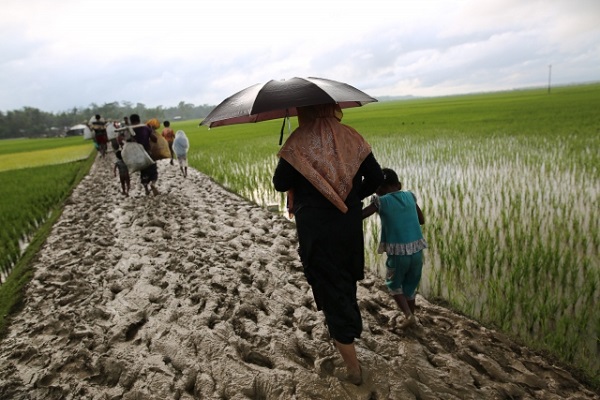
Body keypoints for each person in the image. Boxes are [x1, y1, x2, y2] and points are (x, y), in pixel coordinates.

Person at [272, 103, 383, 386]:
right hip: (347, 226)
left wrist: (289, 154)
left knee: (328, 284)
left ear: (305, 112)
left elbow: (280, 182)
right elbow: (377, 178)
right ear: (333, 109)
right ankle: (348, 327)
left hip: (315, 230)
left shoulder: (298, 141)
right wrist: (350, 196)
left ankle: (353, 366)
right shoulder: (350, 136)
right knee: (344, 278)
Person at [362, 168, 427, 330]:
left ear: (377, 190)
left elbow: (360, 216)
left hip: (398, 255)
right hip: (417, 251)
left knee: (393, 285)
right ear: (398, 185)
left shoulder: (380, 201)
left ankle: (408, 315)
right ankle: (411, 317)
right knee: (410, 286)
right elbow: (421, 220)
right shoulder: (410, 196)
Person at [129, 113, 159, 196]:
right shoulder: (145, 128)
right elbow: (155, 139)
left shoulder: (129, 130)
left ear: (131, 121)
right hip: (148, 152)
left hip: (138, 154)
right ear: (139, 120)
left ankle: (146, 189)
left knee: (143, 171)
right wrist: (151, 131)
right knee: (153, 169)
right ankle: (153, 183)